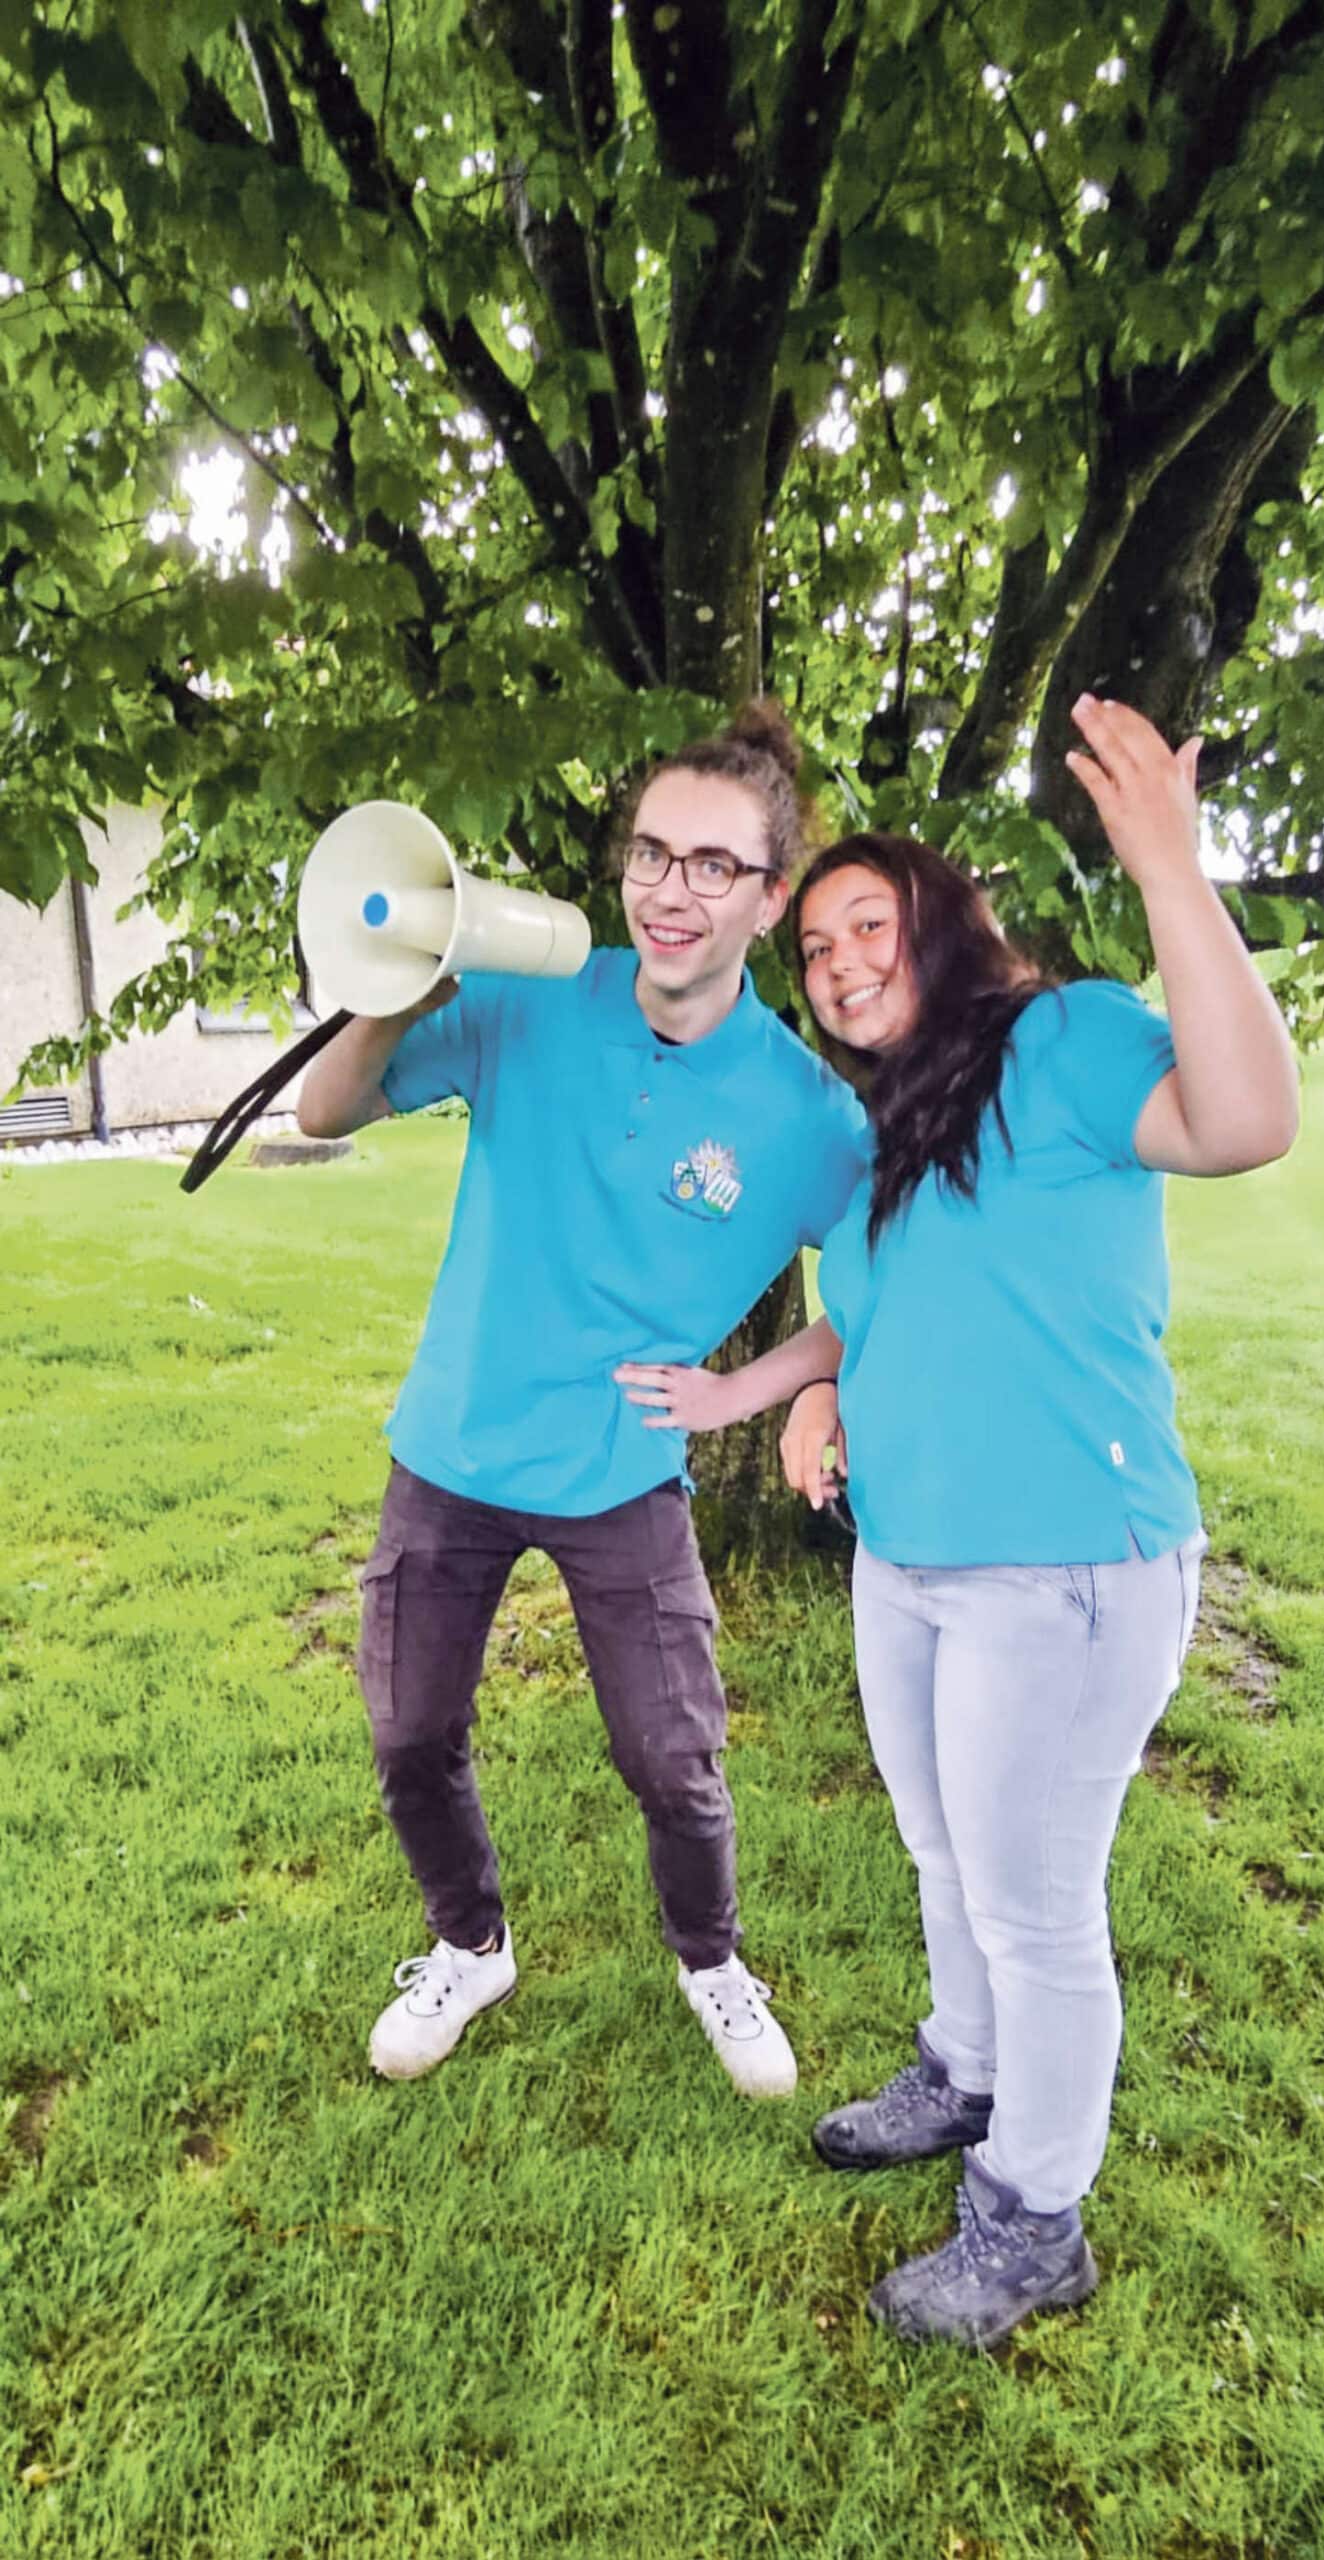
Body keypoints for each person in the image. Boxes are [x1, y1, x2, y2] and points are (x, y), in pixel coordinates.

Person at [615, 697, 1298, 2340]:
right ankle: (967, 2071)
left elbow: (1245, 1119)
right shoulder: (881, 1131)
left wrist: (1166, 867)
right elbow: (872, 1303)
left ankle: (1032, 2217)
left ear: (940, 923)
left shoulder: (1058, 1046)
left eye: (870, 926)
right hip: (909, 1555)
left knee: (1036, 1900)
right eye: (820, 947)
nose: (840, 961)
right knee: (942, 1852)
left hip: (1061, 1567)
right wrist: (784, 1390)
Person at [297, 704, 867, 2097]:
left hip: (623, 1468)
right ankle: (468, 1941)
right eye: (651, 854)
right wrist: (388, 996)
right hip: (454, 1443)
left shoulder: (809, 1117)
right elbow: (320, 1113)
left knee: (672, 1757)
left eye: (713, 866)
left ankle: (713, 1962)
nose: (672, 891)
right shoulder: (521, 993)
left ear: (769, 897)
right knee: (406, 1730)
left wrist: (753, 1391)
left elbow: (885, 1293)